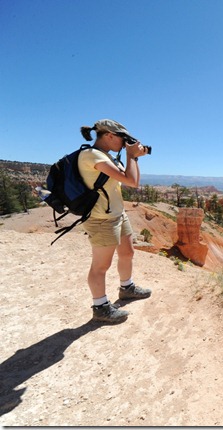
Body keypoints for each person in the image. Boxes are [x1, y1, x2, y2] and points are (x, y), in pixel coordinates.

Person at [78, 119, 151, 323]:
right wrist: (132, 156)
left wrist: (133, 157)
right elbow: (132, 182)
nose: (125, 142)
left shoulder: (107, 157)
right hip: (101, 218)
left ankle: (126, 288)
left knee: (127, 253)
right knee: (101, 266)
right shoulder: (92, 156)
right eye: (123, 138)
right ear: (109, 135)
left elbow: (128, 178)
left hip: (117, 214)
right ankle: (100, 307)